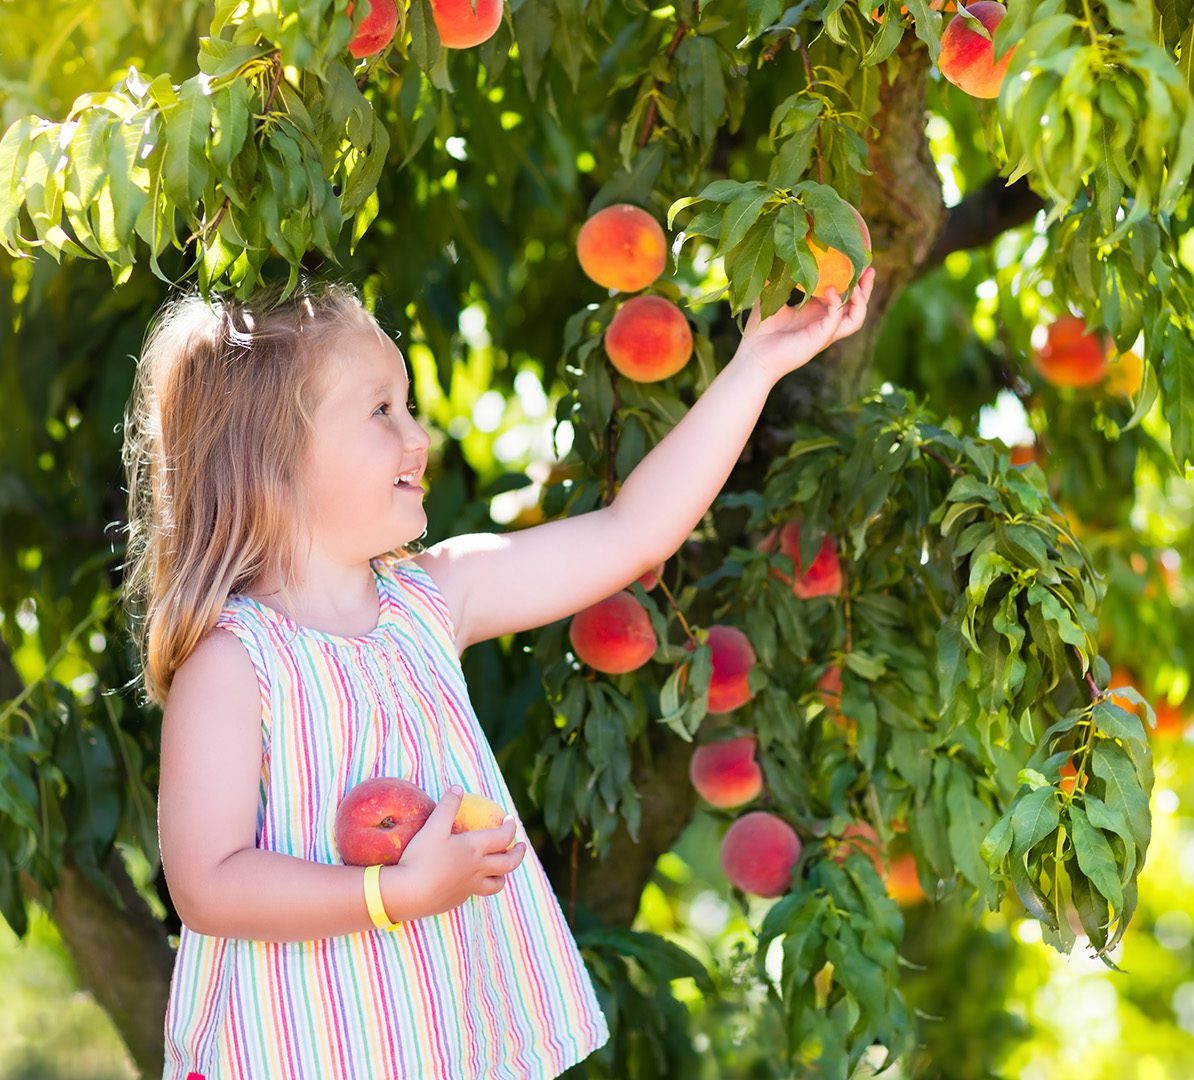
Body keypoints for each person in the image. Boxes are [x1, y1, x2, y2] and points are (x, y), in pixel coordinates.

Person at [124, 267, 875, 1077]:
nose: (418, 436)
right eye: (381, 411)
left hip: (437, 1041)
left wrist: (756, 363)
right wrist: (391, 895)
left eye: (406, 406)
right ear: (273, 461)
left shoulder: (434, 599)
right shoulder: (234, 664)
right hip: (294, 1051)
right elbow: (208, 884)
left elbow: (634, 532)